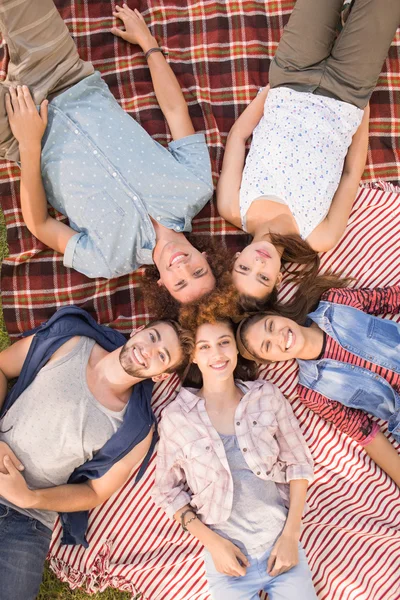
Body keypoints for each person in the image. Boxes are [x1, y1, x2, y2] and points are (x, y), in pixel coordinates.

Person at [0, 1, 215, 303]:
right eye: (198, 272)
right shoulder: (196, 187)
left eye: (179, 283)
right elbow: (175, 110)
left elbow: (40, 224)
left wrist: (29, 144)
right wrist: (148, 44)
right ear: (206, 258)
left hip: (16, 131)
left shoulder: (107, 261)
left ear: (163, 285)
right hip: (65, 76)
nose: (183, 267)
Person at [0, 305, 193, 600]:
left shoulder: (136, 431)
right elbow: (2, 367)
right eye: (153, 337)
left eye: (162, 356)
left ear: (161, 376)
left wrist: (31, 498)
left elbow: (94, 492)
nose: (149, 351)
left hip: (27, 522)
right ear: (139, 331)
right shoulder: (69, 342)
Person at [217, 0, 400, 309]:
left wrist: (269, 93)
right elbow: (351, 173)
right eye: (263, 277)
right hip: (348, 93)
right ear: (277, 280)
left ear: (235, 258)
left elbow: (237, 137)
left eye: (245, 267)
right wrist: (361, 109)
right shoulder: (318, 237)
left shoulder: (233, 208)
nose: (258, 264)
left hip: (291, 75)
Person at [152, 319, 317, 600]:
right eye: (204, 346)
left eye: (224, 342)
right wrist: (214, 544)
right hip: (227, 562)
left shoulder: (266, 396)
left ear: (237, 349)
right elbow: (167, 491)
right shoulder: (177, 418)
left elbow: (298, 465)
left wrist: (291, 536)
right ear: (193, 355)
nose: (216, 354)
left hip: (281, 545)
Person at [236, 285, 400, 487]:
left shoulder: (336, 302)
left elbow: (393, 298)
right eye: (267, 346)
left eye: (270, 326)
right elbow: (368, 435)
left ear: (277, 316)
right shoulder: (313, 393)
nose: (278, 337)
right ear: (271, 361)